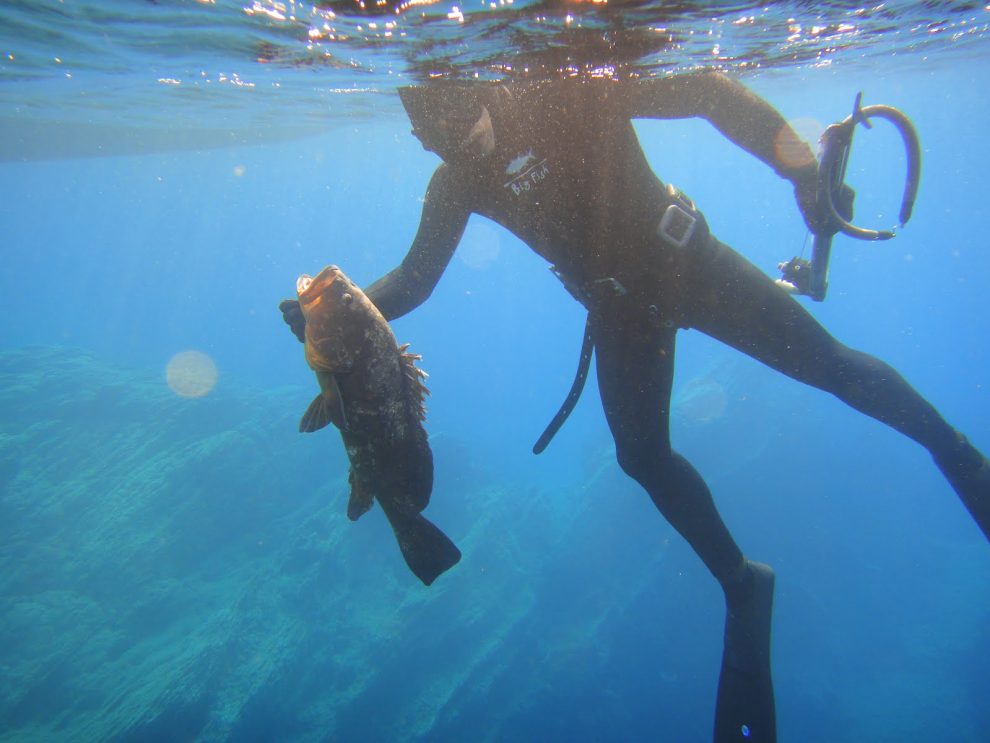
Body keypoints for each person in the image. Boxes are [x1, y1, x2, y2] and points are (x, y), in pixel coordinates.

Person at [280, 73, 989, 742]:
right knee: (640, 455)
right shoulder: (457, 179)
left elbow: (708, 93)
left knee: (830, 366)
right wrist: (332, 322)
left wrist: (801, 168)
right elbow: (413, 277)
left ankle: (958, 453)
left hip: (690, 264)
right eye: (429, 134)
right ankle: (742, 583)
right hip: (621, 312)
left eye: (453, 121)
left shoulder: (565, 90)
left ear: (482, 86)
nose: (447, 141)